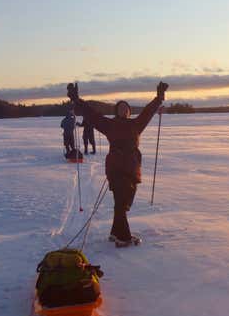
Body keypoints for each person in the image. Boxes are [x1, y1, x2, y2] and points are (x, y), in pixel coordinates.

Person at [67, 81, 168, 247]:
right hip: (116, 167)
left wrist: (158, 98)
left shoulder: (136, 124)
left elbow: (148, 112)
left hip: (132, 168)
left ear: (129, 112)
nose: (124, 110)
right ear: (116, 111)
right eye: (120, 108)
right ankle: (124, 237)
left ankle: (115, 233)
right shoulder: (109, 124)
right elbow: (92, 115)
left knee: (124, 203)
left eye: (126, 108)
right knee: (121, 202)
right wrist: (76, 100)